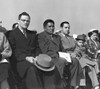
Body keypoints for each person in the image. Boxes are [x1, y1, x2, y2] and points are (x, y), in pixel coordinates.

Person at [37, 19, 83, 89]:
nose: (52, 28)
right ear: (44, 27)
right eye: (49, 26)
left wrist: (67, 56)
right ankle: (60, 83)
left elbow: (62, 49)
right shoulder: (40, 36)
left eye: (53, 26)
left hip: (59, 56)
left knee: (74, 61)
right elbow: (44, 50)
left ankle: (72, 85)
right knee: (62, 61)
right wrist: (59, 56)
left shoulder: (57, 37)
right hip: (48, 58)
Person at [58, 21, 85, 89]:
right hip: (64, 55)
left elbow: (77, 47)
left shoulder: (71, 38)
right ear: (61, 28)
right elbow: (59, 48)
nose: (67, 29)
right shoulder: (58, 37)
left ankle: (73, 84)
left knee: (76, 61)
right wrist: (68, 54)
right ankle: (74, 84)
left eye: (68, 28)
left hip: (73, 55)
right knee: (75, 61)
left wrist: (75, 53)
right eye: (65, 27)